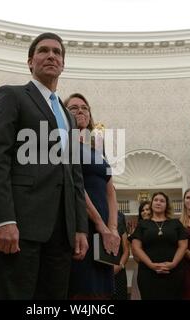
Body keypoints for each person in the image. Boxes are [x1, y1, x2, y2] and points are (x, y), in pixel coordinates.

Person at [0, 33, 89, 300]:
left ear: (63, 64)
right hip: (21, 225)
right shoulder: (12, 95)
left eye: (57, 52)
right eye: (43, 51)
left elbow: (75, 176)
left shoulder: (68, 117)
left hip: (62, 233)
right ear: (30, 62)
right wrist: (4, 220)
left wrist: (79, 227)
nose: (51, 55)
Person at [65, 93, 120, 299]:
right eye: (73, 108)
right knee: (82, 290)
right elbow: (75, 186)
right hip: (81, 225)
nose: (80, 111)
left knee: (103, 292)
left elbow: (110, 191)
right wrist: (100, 225)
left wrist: (113, 228)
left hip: (105, 231)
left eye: (85, 108)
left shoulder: (97, 149)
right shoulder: (64, 143)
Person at [131, 192, 188, 300]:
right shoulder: (142, 224)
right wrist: (151, 264)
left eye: (162, 201)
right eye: (156, 200)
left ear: (166, 205)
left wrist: (173, 263)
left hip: (174, 272)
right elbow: (136, 247)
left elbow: (183, 246)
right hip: (148, 273)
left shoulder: (176, 223)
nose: (158, 203)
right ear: (151, 203)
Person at [130, 200, 150, 300]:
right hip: (142, 268)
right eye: (142, 210)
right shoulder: (137, 230)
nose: (145, 212)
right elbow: (136, 257)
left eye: (147, 209)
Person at [113, 211, 130, 300]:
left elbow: (126, 250)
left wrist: (120, 266)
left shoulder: (120, 216)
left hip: (119, 269)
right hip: (100, 270)